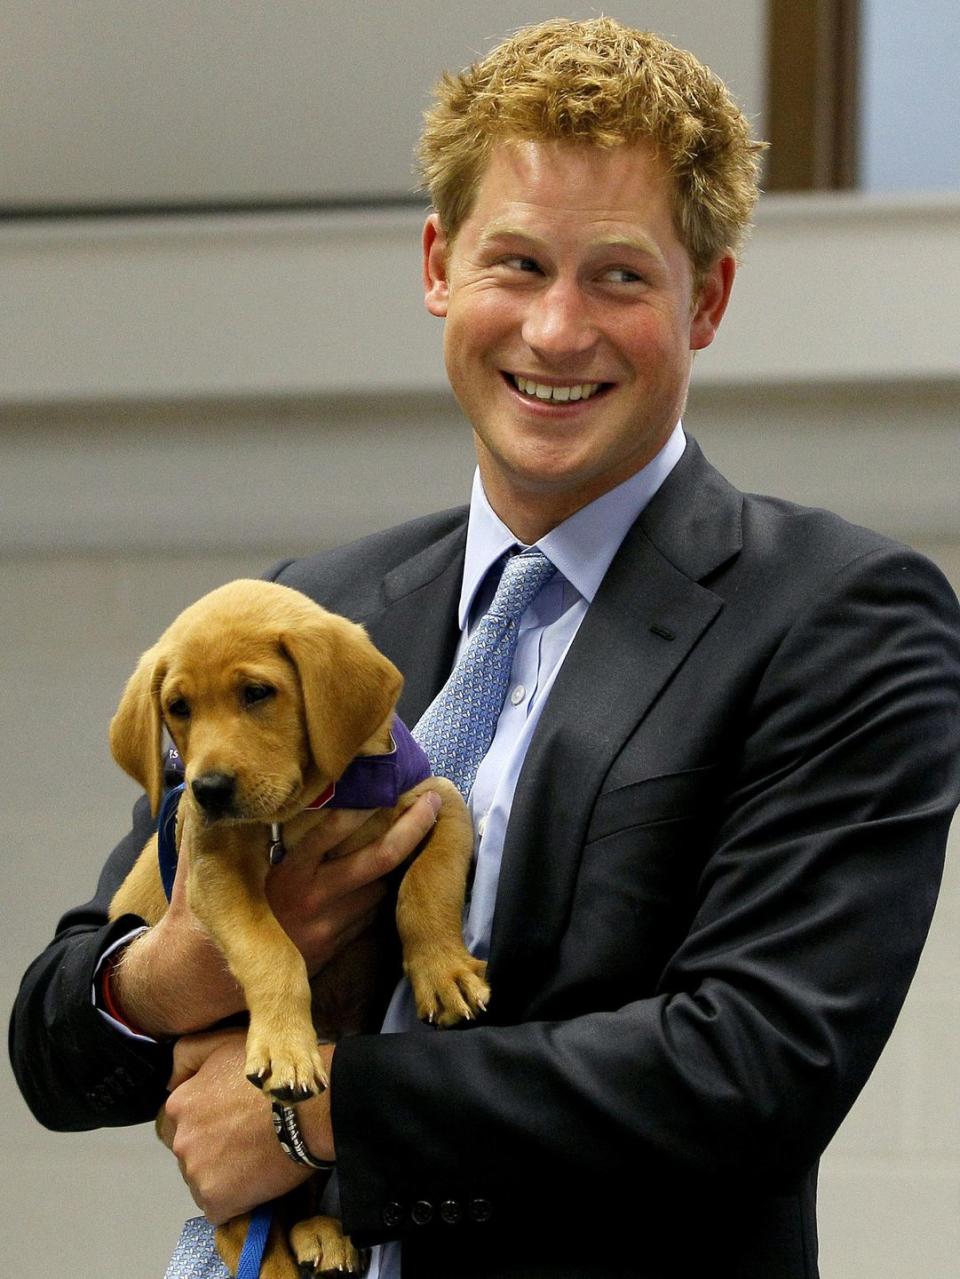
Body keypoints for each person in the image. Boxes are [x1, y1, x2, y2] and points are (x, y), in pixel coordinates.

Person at [10, 17, 960, 1279]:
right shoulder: (312, 614)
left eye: (620, 275)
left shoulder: (842, 618)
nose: (557, 332)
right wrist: (178, 973)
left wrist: (318, 1108)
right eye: (516, 262)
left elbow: (751, 1068)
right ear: (438, 266)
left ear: (709, 297)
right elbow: (55, 1043)